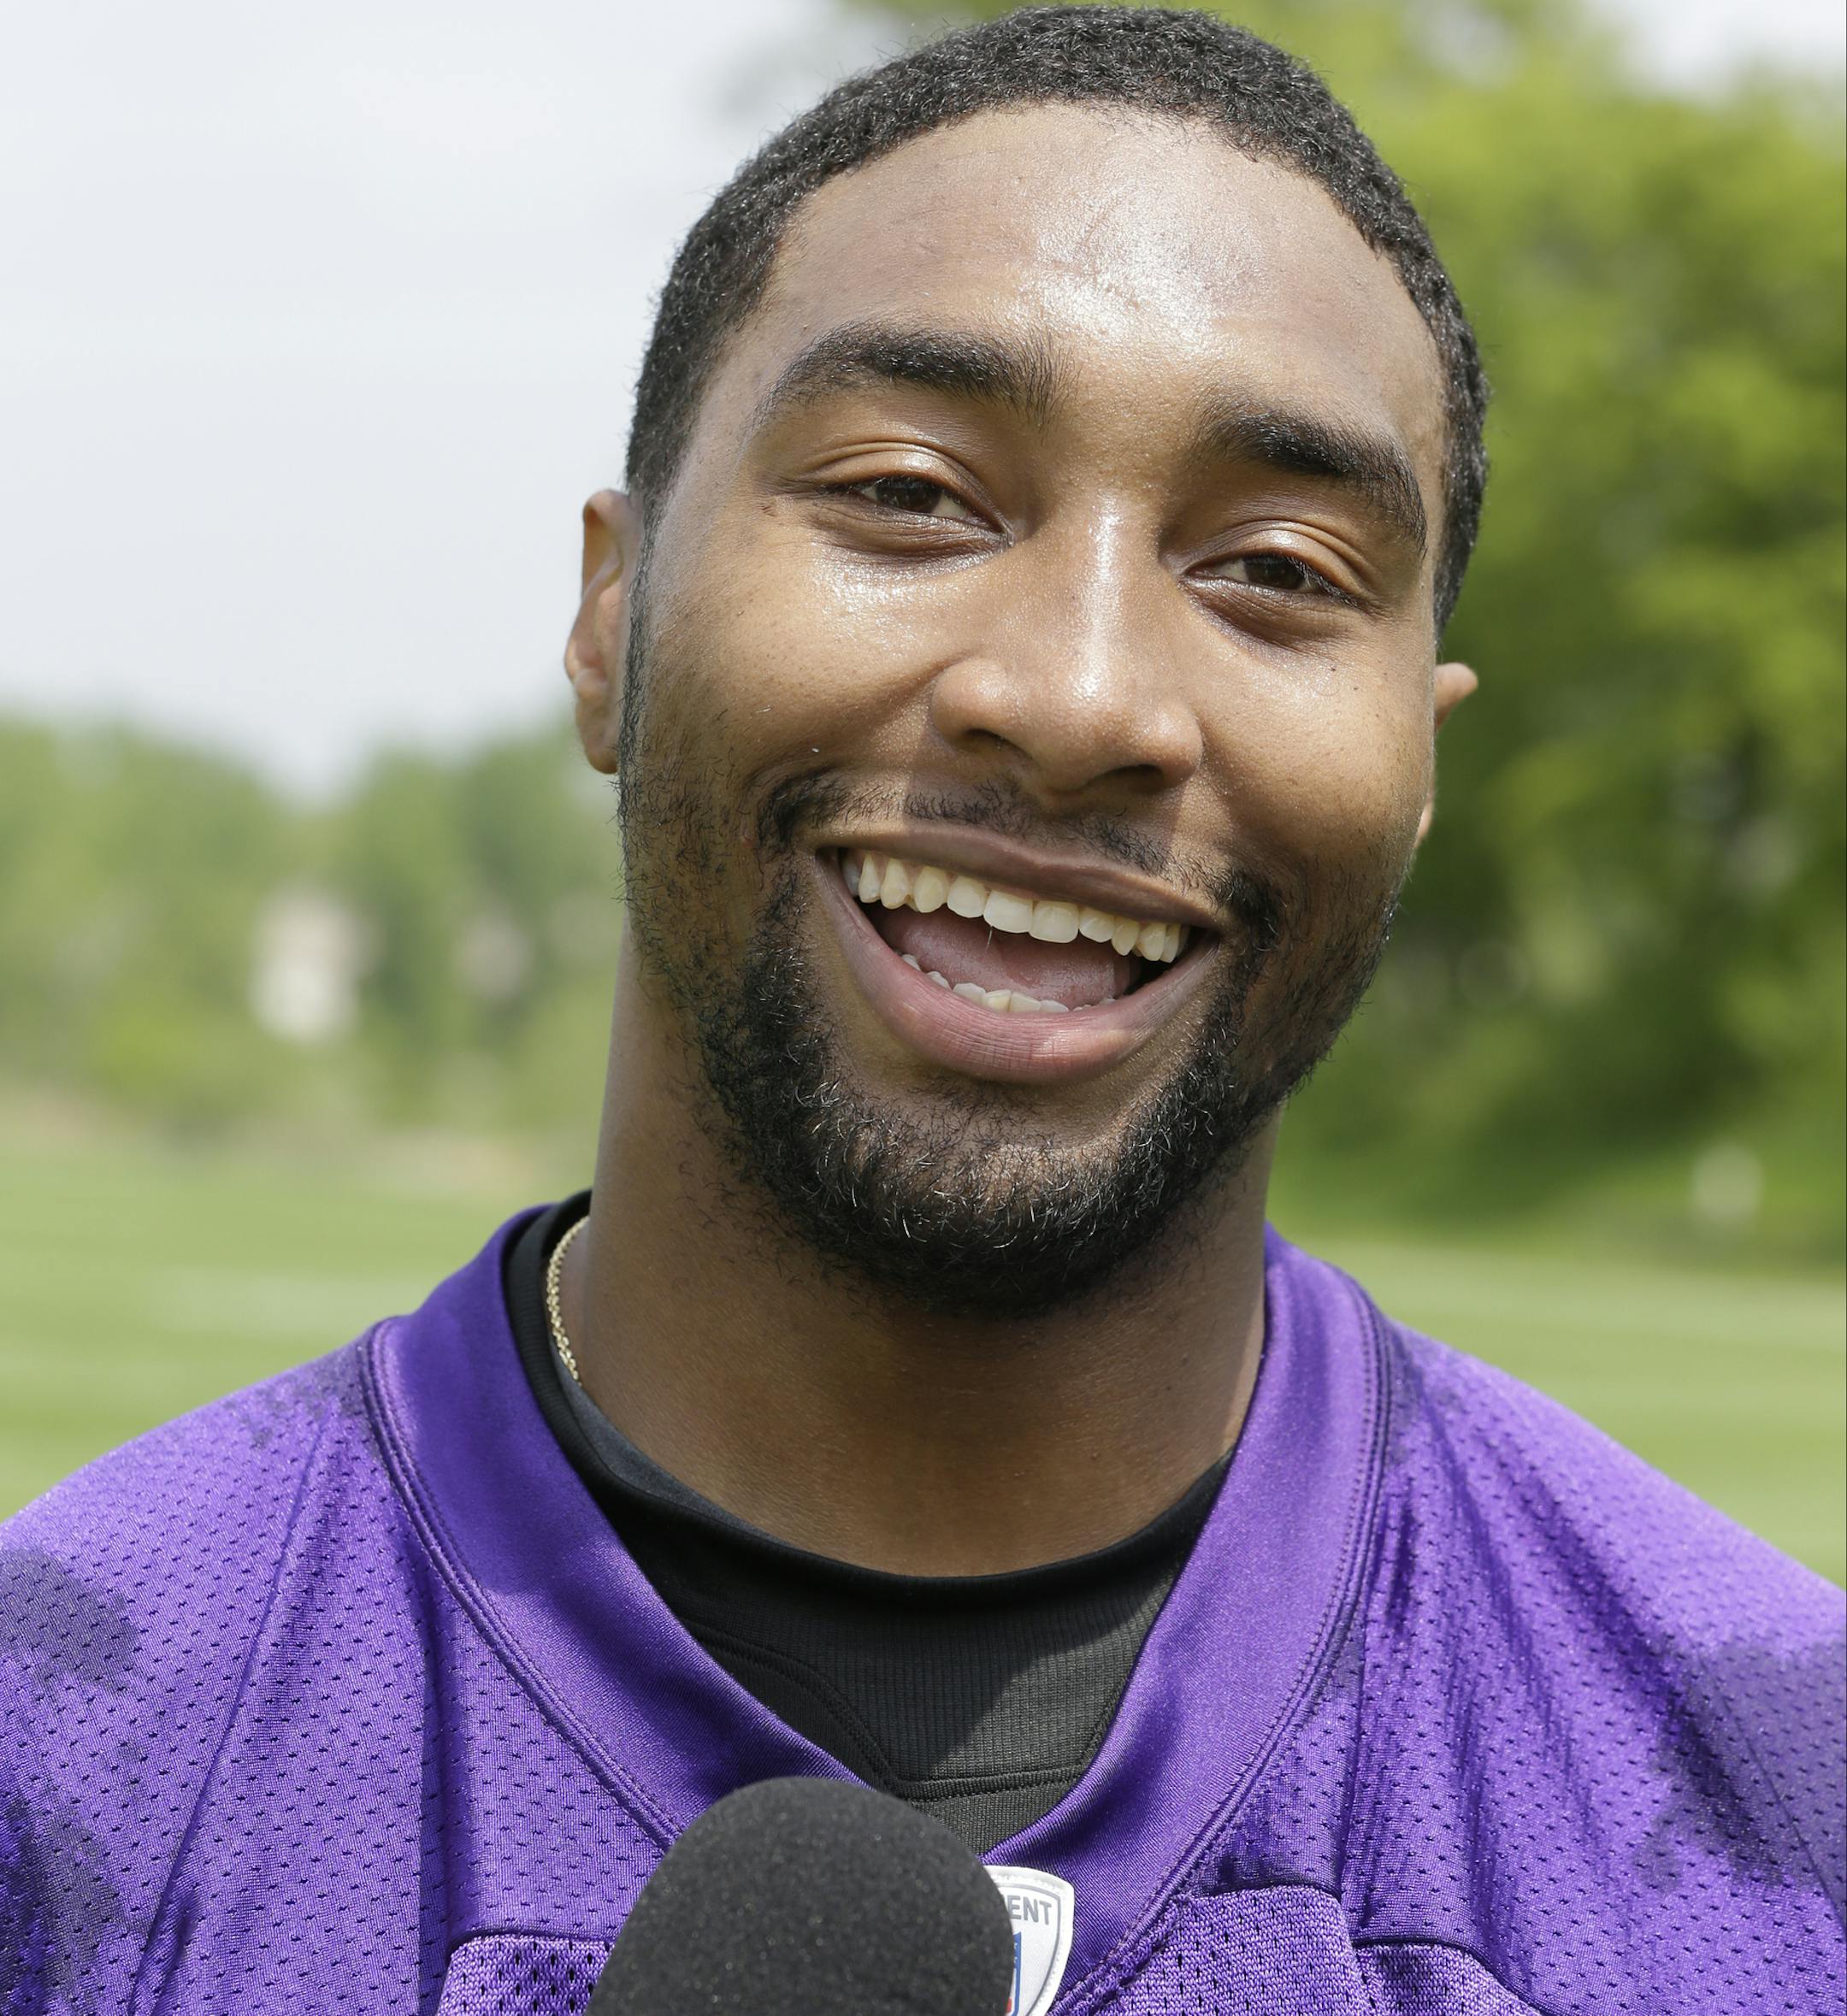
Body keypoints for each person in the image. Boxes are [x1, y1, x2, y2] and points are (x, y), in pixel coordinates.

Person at [2, 9, 1840, 2012]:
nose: (1077, 697)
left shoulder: (1779, 1825)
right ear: (613, 620)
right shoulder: (65, 1756)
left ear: (1418, 757)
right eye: (911, 494)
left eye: (1280, 571)